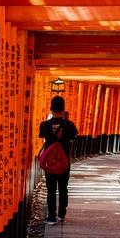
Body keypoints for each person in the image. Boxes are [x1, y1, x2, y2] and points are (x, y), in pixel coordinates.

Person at [39, 96, 78, 225]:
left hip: (50, 162)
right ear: (63, 109)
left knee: (50, 189)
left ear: (50, 109)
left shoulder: (44, 125)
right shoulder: (69, 125)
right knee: (63, 187)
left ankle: (51, 217)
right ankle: (61, 214)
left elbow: (42, 136)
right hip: (63, 161)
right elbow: (73, 135)